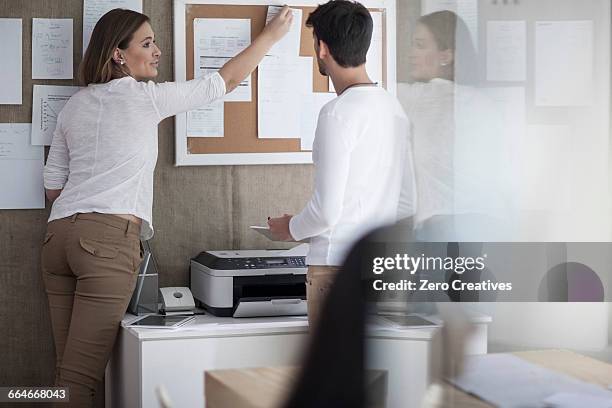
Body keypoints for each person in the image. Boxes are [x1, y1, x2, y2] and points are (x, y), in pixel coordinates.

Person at [41, 8, 291, 407]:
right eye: (146, 43)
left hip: (58, 239)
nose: (158, 51)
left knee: (63, 373)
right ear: (118, 55)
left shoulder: (74, 105)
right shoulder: (146, 99)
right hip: (106, 242)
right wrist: (272, 36)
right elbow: (223, 82)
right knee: (79, 379)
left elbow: (53, 186)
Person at [267, 0, 413, 331]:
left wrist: (288, 228)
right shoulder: (394, 108)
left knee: (336, 380)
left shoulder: (337, 113)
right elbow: (407, 202)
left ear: (322, 48)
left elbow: (326, 214)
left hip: (336, 270)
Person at [397, 10, 510, 242]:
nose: (411, 54)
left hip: (443, 230)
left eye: (419, 45)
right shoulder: (486, 104)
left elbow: (365, 85)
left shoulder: (419, 97)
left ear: (446, 55)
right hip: (493, 226)